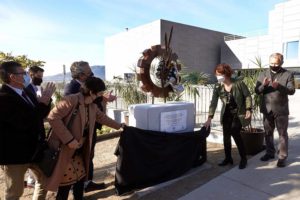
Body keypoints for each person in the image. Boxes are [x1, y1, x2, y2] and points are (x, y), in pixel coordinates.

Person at [45, 76, 124, 200]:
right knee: (65, 184)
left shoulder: (92, 106)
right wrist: (69, 140)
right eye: (100, 93)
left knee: (80, 178)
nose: (101, 96)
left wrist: (120, 126)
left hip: (78, 150)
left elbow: (102, 118)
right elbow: (53, 117)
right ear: (91, 92)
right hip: (64, 149)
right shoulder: (71, 100)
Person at [0, 61, 55, 200]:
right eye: (23, 73)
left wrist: (46, 102)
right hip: (15, 154)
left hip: (36, 150)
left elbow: (39, 115)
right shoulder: (3, 98)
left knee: (44, 182)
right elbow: (22, 123)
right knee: (14, 192)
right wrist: (42, 102)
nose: (26, 76)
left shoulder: (26, 93)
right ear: (13, 77)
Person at [64, 61, 116, 193]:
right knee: (78, 159)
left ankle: (85, 183)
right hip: (78, 134)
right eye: (90, 72)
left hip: (89, 129)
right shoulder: (72, 90)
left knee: (88, 156)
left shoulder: (87, 86)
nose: (92, 74)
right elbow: (61, 117)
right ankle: (76, 186)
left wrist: (104, 100)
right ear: (81, 75)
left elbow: (97, 110)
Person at [204, 63, 252, 169]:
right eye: (216, 75)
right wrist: (209, 118)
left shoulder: (239, 83)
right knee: (226, 137)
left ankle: (243, 158)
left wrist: (248, 109)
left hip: (239, 114)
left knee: (235, 132)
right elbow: (214, 102)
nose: (217, 77)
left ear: (226, 74)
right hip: (226, 114)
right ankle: (228, 158)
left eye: (219, 75)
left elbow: (247, 96)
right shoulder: (218, 86)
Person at [255, 53, 295, 167]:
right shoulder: (263, 74)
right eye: (271, 63)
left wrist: (279, 87)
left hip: (281, 109)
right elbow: (257, 91)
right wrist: (263, 85)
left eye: (276, 63)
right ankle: (269, 152)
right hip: (267, 109)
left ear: (281, 62)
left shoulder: (288, 74)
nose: (273, 65)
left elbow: (292, 91)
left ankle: (282, 157)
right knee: (268, 133)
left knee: (282, 134)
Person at [26, 65, 49, 188]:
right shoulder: (27, 90)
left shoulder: (39, 88)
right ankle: (31, 179)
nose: (41, 78)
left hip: (39, 125)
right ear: (31, 75)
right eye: (39, 76)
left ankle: (33, 178)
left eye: (42, 76)